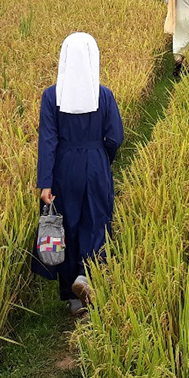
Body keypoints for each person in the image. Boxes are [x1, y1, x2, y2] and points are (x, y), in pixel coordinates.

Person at [33, 32, 123, 316]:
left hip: (63, 168)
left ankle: (72, 297)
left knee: (67, 225)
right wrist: (102, 158)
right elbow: (115, 137)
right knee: (95, 220)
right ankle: (88, 276)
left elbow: (47, 140)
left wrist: (45, 182)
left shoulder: (51, 96)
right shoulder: (103, 95)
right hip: (95, 164)